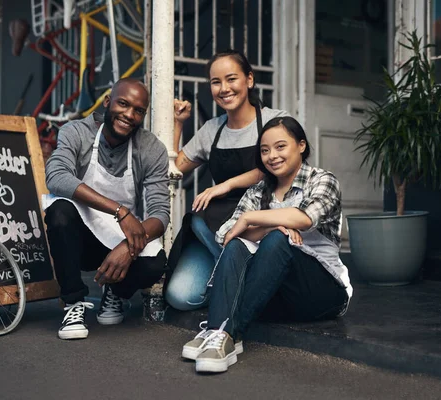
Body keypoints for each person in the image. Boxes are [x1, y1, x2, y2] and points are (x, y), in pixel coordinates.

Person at [181, 116, 353, 373]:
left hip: (321, 292)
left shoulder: (322, 180)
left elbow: (303, 219)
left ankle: (223, 331)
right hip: (274, 293)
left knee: (277, 240)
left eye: (280, 147)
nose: (272, 156)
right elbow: (228, 235)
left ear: (301, 146)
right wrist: (272, 224)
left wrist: (252, 219)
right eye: (264, 150)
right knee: (240, 245)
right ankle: (223, 335)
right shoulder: (258, 191)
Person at [42, 78, 169, 340]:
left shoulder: (151, 149)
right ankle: (73, 303)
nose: (129, 115)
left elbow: (160, 214)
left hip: (117, 239)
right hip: (80, 238)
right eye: (123, 104)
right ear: (107, 102)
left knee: (155, 263)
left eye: (138, 110)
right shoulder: (77, 132)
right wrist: (120, 211)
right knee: (60, 212)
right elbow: (56, 177)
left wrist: (128, 248)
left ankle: (115, 292)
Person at [165, 49, 289, 311]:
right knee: (180, 296)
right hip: (214, 228)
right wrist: (178, 123)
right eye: (215, 82)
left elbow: (278, 169)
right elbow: (175, 168)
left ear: (249, 80)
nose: (224, 88)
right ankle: (237, 280)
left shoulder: (275, 121)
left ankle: (237, 279)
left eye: (231, 79)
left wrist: (227, 184)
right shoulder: (211, 129)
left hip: (260, 224)